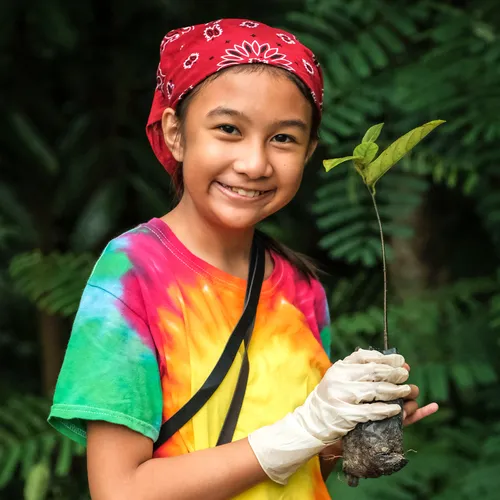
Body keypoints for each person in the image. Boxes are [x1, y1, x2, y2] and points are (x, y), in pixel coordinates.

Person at [48, 18, 438, 500]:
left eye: (284, 138)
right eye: (229, 129)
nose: (255, 163)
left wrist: (352, 426)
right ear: (175, 133)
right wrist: (306, 427)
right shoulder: (133, 272)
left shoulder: (300, 286)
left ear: (310, 150)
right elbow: (119, 490)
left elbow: (298, 465)